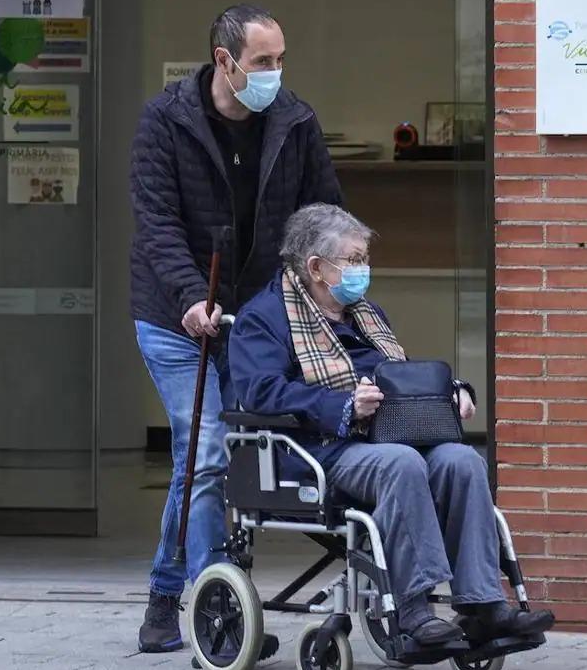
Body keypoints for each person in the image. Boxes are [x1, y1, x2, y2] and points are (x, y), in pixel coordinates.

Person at [227, 203, 555, 647]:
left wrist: (452, 392)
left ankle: (482, 605)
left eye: (365, 259)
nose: (363, 269)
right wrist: (343, 404)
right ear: (317, 268)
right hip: (318, 450)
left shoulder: (366, 313)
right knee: (400, 464)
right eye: (354, 259)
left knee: (462, 461)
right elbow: (261, 391)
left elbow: (399, 375)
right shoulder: (264, 318)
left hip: (389, 435)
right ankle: (412, 609)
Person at [130, 4, 342, 653]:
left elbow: (323, 213)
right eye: (263, 61)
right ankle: (211, 610)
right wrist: (192, 299)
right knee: (207, 450)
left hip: (254, 319)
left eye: (281, 59)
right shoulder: (164, 122)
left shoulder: (295, 122)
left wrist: (333, 285)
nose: (276, 73)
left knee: (209, 461)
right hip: (175, 318)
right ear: (225, 61)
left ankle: (166, 600)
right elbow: (157, 224)